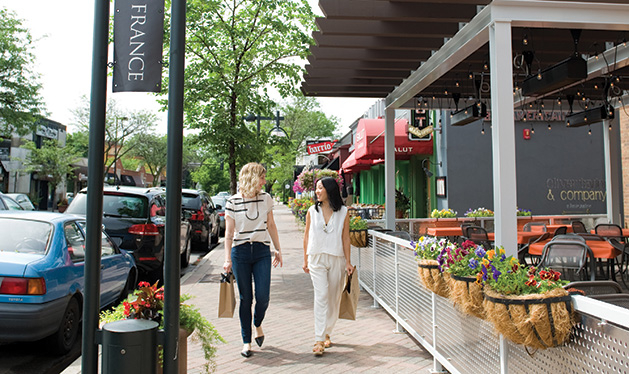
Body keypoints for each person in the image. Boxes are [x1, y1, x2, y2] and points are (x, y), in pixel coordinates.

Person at [223, 163, 283, 358]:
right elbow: (229, 233)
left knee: (263, 296)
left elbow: (271, 225)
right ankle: (246, 341)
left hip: (261, 251)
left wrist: (278, 249)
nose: (264, 182)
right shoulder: (232, 201)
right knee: (245, 298)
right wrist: (226, 260)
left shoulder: (266, 199)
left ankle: (257, 322)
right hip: (239, 253)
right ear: (252, 178)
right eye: (262, 178)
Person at [302, 177, 354, 356]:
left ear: (329, 190)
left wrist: (348, 261)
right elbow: (307, 236)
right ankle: (318, 339)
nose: (317, 192)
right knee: (322, 295)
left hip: (336, 258)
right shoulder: (311, 211)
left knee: (333, 298)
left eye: (320, 188)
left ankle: (327, 332)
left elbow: (345, 238)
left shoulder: (344, 212)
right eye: (316, 188)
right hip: (316, 258)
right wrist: (305, 259)